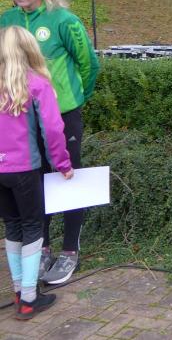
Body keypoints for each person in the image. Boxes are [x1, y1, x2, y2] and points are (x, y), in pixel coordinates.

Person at [1, 0, 100, 284]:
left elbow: (89, 65)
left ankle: (70, 249)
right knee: (34, 181)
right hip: (21, 118)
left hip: (62, 116)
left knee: (66, 177)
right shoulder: (7, 21)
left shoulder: (63, 20)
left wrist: (73, 100)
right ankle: (40, 246)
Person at [0, 26, 73, 320]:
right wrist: (63, 164)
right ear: (30, 49)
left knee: (12, 226)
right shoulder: (36, 83)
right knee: (33, 227)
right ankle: (29, 299)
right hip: (24, 168)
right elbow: (53, 130)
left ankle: (19, 290)